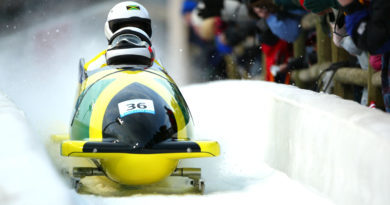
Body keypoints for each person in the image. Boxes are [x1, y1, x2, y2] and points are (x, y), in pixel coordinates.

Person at [84, 1, 164, 71]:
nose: (131, 34)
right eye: (124, 27)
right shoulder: (92, 67)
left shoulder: (158, 67)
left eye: (138, 28)